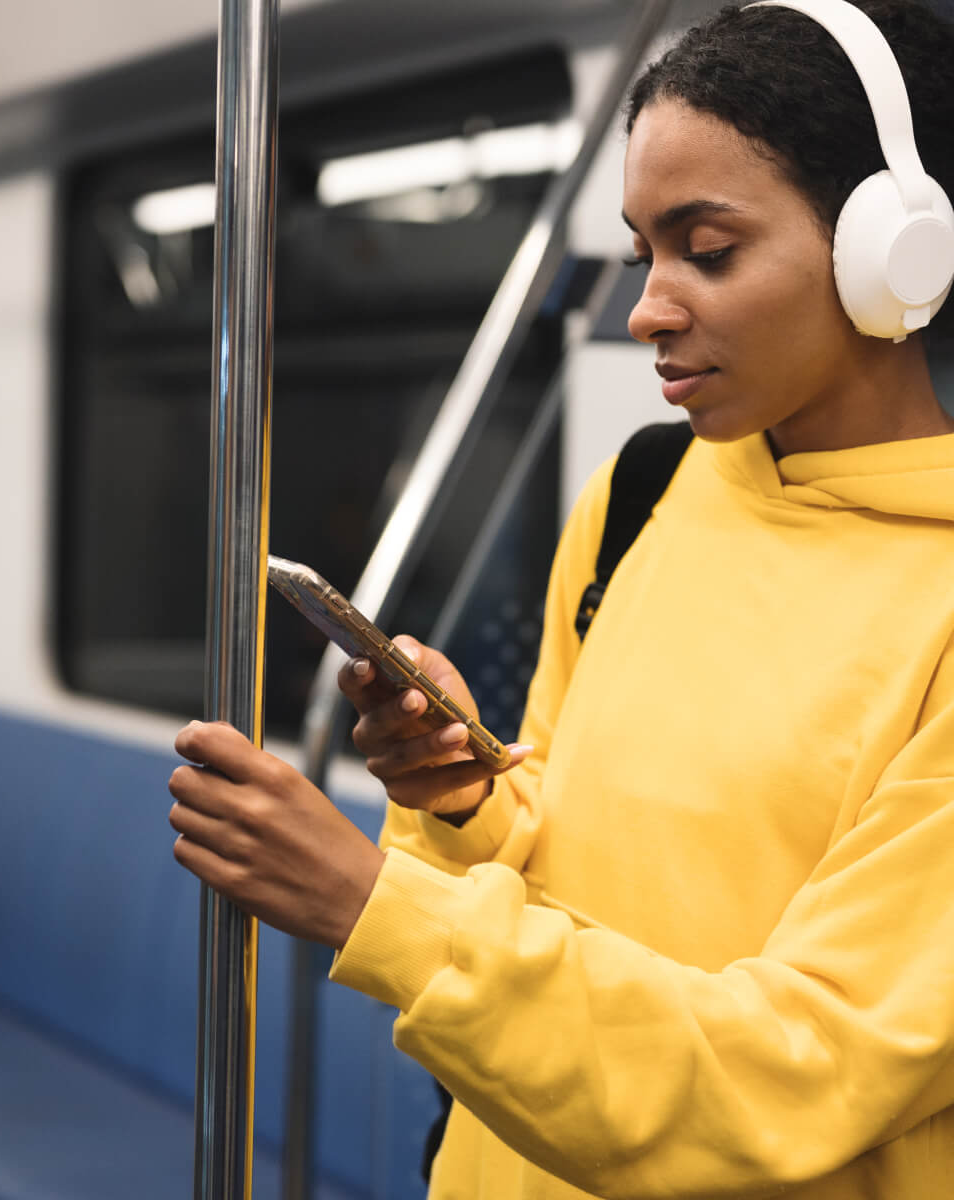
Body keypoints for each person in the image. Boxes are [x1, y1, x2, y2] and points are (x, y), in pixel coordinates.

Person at [167, 0, 954, 1194]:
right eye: (645, 254)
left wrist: (371, 904)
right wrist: (467, 790)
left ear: (890, 246)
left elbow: (791, 1071)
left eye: (710, 248)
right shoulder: (643, 492)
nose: (647, 309)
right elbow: (564, 847)